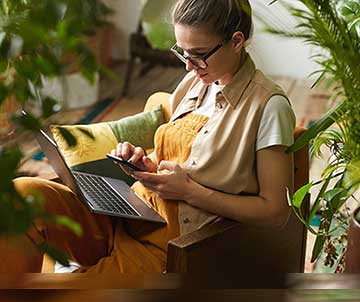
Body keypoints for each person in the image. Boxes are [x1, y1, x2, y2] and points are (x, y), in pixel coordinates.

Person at [1, 0, 295, 274]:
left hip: (169, 247)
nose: (188, 66)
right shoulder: (194, 83)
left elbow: (275, 212)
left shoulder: (269, 107)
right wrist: (143, 163)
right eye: (182, 52)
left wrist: (189, 191)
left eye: (199, 55)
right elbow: (177, 159)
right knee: (23, 195)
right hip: (132, 214)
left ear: (236, 41)